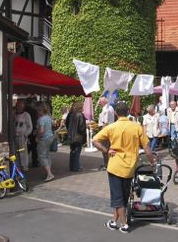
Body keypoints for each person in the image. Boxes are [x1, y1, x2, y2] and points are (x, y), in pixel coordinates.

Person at [92, 101, 157, 234]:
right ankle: (113, 221)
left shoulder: (112, 127)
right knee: (123, 196)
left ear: (116, 113)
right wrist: (152, 161)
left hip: (115, 165)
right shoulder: (136, 126)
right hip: (130, 166)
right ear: (128, 112)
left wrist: (106, 150)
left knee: (117, 198)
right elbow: (146, 147)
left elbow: (95, 140)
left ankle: (124, 224)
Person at [35, 101, 55, 182]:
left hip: (44, 139)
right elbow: (51, 126)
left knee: (42, 156)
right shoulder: (48, 117)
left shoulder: (41, 119)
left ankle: (49, 173)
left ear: (39, 110)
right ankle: (48, 173)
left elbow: (41, 131)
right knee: (47, 155)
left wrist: (37, 137)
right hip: (50, 137)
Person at [66, 101, 87, 172]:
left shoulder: (70, 114)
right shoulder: (81, 115)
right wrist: (84, 135)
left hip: (71, 135)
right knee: (77, 152)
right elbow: (82, 128)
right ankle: (76, 167)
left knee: (72, 151)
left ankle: (71, 166)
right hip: (78, 136)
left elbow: (67, 124)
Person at [14, 100, 32, 171]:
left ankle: (24, 167)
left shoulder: (26, 115)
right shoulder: (14, 114)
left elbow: (30, 126)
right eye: (17, 106)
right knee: (16, 152)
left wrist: (26, 134)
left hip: (22, 137)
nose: (18, 108)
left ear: (23, 107)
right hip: (15, 136)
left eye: (20, 106)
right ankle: (18, 167)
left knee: (22, 152)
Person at [98, 97, 115, 170]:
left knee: (104, 148)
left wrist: (101, 134)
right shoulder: (110, 107)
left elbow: (105, 122)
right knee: (108, 147)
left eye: (99, 102)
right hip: (110, 130)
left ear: (103, 102)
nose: (99, 104)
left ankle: (107, 165)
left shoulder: (106, 109)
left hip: (106, 130)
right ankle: (108, 163)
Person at [24, 98, 39, 167]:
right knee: (34, 147)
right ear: (31, 103)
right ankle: (35, 162)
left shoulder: (23, 110)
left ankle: (24, 161)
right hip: (33, 130)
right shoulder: (34, 111)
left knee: (26, 146)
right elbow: (36, 121)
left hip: (24, 130)